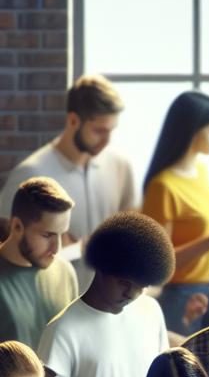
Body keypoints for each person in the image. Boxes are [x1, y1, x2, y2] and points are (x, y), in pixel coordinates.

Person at [37, 211, 172, 377]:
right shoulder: (63, 330)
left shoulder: (151, 310)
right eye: (124, 283)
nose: (131, 294)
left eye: (141, 286)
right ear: (101, 267)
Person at [0, 75, 134, 286]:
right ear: (73, 120)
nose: (107, 141)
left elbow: (133, 234)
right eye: (99, 131)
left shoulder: (121, 166)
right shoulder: (30, 173)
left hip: (111, 304)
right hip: (50, 304)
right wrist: (68, 248)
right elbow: (6, 251)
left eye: (112, 131)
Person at [141, 91, 209, 336]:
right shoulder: (163, 186)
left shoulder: (201, 171)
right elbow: (158, 261)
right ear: (193, 131)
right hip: (179, 297)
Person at [0, 178, 77, 350]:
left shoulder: (65, 272)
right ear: (17, 226)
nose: (57, 248)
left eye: (61, 234)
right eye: (47, 235)